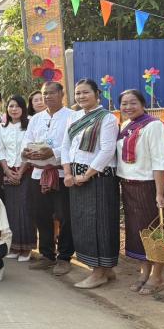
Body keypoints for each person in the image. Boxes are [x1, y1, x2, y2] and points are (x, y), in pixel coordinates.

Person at [117, 89, 164, 295]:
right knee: (138, 233)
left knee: (157, 233)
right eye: (124, 103)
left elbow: (159, 161)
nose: (128, 107)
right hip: (129, 187)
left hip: (149, 187)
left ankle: (157, 276)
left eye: (133, 102)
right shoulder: (125, 126)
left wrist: (159, 193)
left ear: (143, 104)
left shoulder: (153, 125)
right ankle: (144, 272)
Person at [61, 78, 119, 289]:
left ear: (97, 94)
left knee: (100, 224)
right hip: (76, 178)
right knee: (83, 224)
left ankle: (99, 273)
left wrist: (87, 175)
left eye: (86, 92)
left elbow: (107, 150)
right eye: (78, 93)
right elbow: (65, 146)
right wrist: (68, 173)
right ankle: (106, 270)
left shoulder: (107, 118)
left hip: (99, 179)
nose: (81, 96)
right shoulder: (74, 117)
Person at [21, 81, 75, 275]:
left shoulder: (72, 116)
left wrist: (53, 152)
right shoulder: (36, 118)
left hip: (61, 173)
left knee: (64, 216)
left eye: (52, 93)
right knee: (41, 215)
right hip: (38, 173)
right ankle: (46, 254)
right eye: (45, 93)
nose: (47, 97)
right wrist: (27, 152)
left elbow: (73, 145)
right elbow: (27, 140)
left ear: (61, 94)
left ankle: (64, 257)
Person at [0, 95, 34, 262]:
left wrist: (21, 171)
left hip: (26, 171)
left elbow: (30, 148)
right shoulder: (1, 127)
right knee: (11, 210)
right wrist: (6, 170)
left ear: (23, 108)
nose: (14, 109)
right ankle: (14, 246)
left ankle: (26, 248)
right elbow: (0, 150)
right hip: (9, 171)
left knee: (25, 209)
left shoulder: (30, 125)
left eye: (17, 106)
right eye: (11, 106)